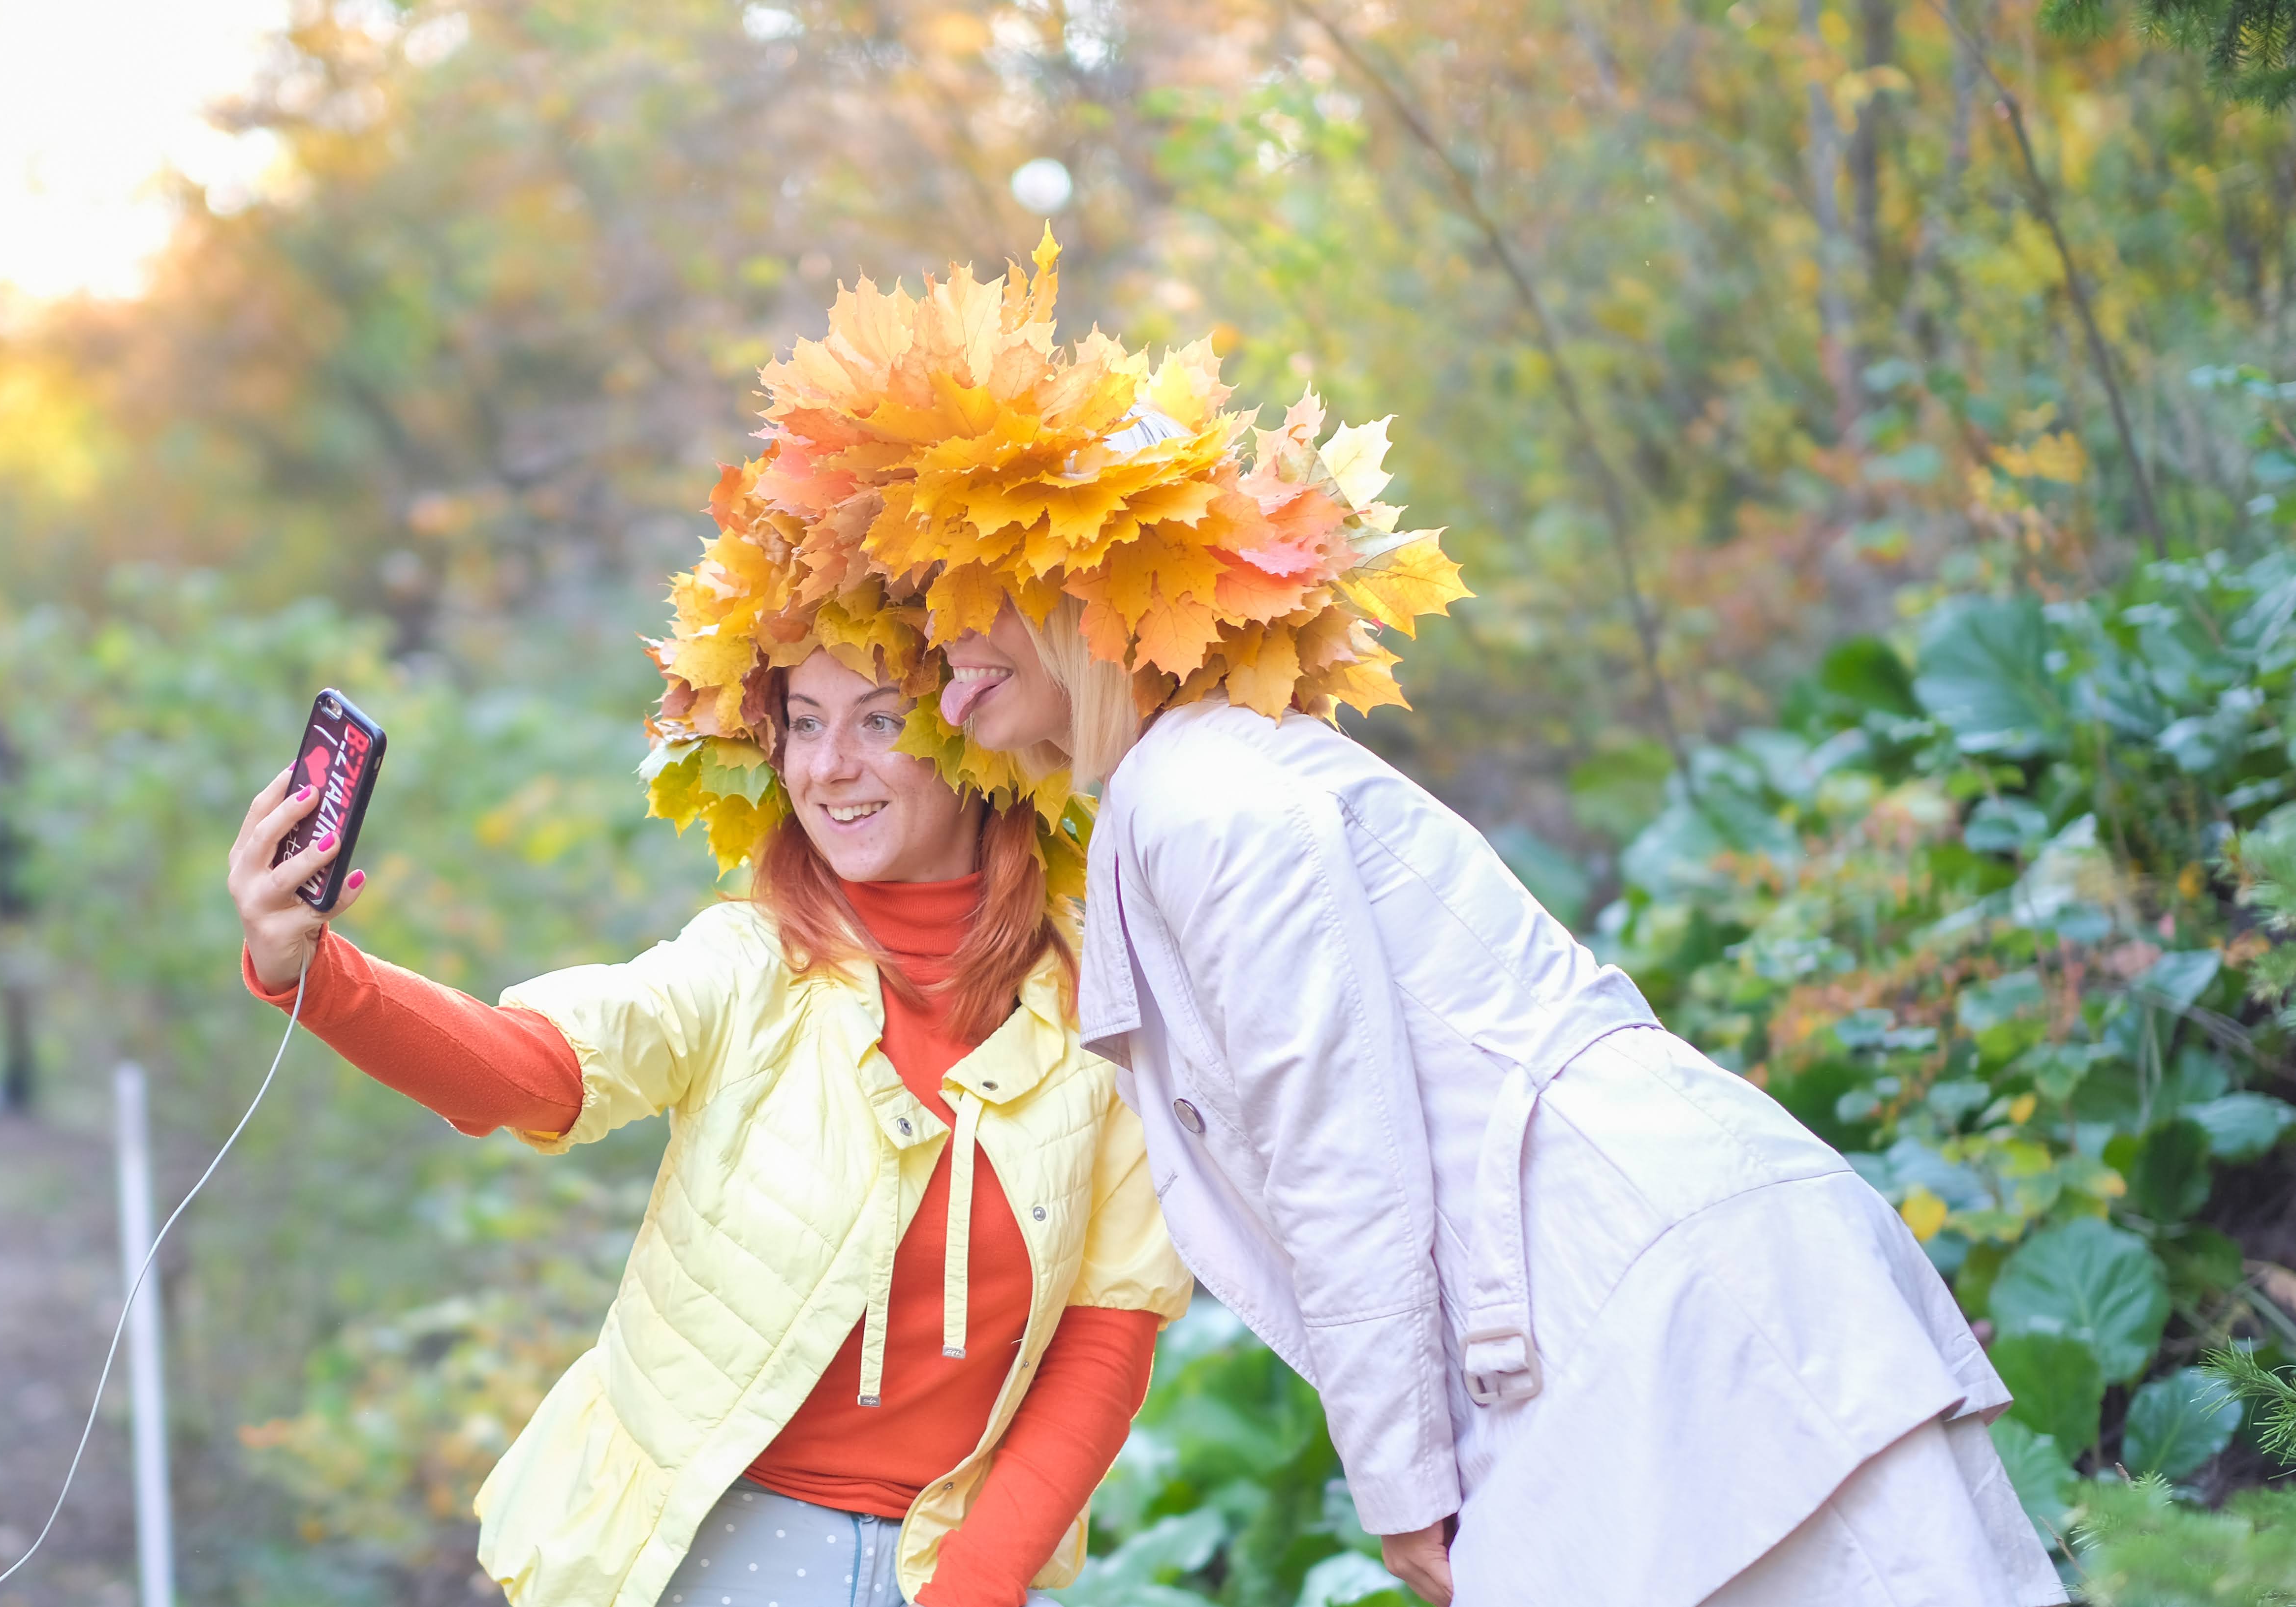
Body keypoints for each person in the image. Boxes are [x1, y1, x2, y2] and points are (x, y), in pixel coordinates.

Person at [723, 240, 2068, 1607]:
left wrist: (1402, 1475)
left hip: (1657, 1307)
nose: (942, 636)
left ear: (1085, 593)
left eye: (975, 588)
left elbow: (1336, 1143)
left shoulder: (1200, 795)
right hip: (1627, 1308)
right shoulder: (1188, 783)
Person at [225, 522, 1190, 1606]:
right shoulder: (746, 963)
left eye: (879, 720)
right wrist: (315, 974)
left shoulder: (1103, 1007)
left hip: (956, 1565)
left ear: (977, 735)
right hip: (709, 1548)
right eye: (804, 723)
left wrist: (974, 1587)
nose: (828, 766)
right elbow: (533, 1070)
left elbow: (1106, 1336)